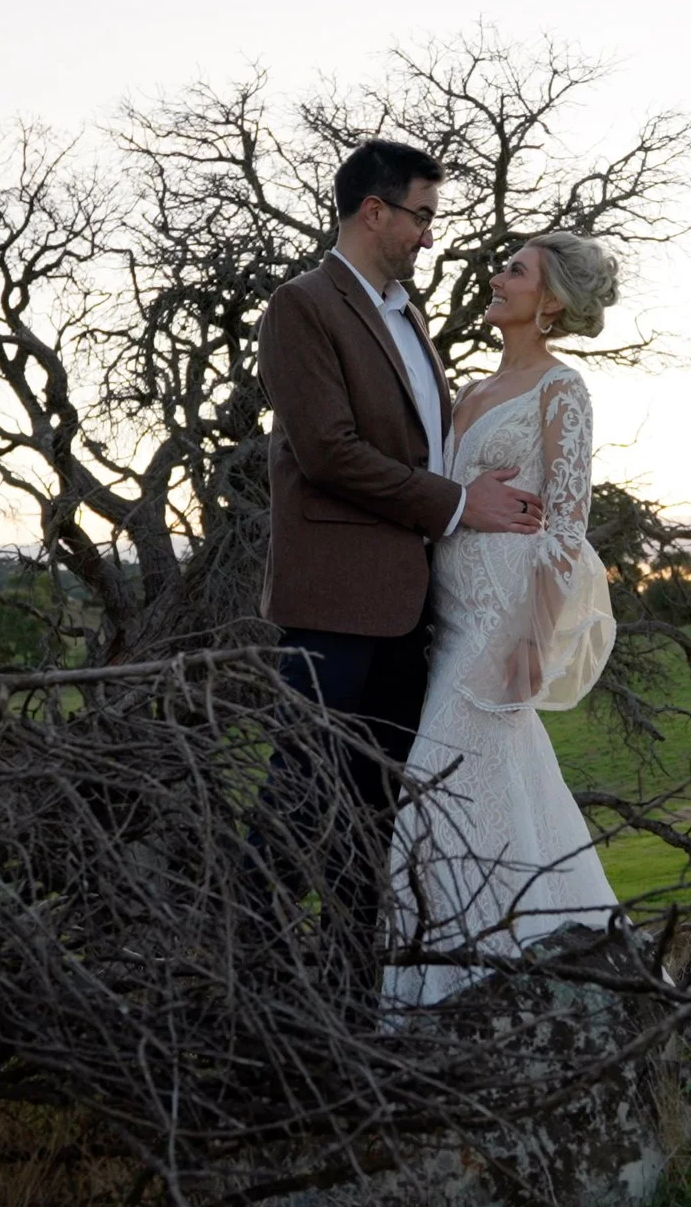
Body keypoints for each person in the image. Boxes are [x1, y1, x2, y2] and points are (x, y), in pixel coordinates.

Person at [253, 139, 548, 984]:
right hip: (334, 606)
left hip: (411, 608)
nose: (428, 235)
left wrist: (471, 487)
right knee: (300, 799)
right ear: (373, 211)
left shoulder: (408, 315)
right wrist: (459, 504)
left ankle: (353, 1003)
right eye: (420, 215)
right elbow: (328, 452)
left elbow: (420, 447)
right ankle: (241, 990)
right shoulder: (301, 307)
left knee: (376, 820)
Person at [382, 231, 622, 1007]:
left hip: (500, 631)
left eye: (514, 270)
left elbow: (564, 526)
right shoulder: (472, 392)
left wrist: (530, 639)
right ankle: (520, 986)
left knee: (437, 791)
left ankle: (476, 994)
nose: (497, 276)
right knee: (482, 796)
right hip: (448, 623)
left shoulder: (562, 390)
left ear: (549, 302)